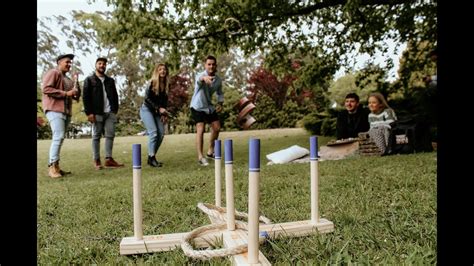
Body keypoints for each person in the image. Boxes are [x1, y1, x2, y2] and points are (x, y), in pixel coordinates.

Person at [41, 53, 81, 178]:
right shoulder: (53, 73)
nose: (69, 64)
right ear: (59, 63)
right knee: (58, 136)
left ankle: (56, 166)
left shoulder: (68, 79)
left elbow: (76, 96)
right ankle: (52, 166)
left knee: (60, 137)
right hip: (53, 109)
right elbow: (46, 89)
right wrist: (65, 93)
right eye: (67, 62)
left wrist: (76, 82)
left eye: (70, 63)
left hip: (65, 111)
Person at [83, 57, 124, 170]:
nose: (102, 65)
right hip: (97, 113)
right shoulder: (89, 80)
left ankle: (108, 159)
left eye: (104, 64)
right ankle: (96, 160)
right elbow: (86, 97)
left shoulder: (110, 81)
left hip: (110, 112)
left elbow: (115, 95)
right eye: (100, 63)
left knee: (110, 135)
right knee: (96, 136)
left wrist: (115, 109)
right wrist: (89, 113)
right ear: (96, 65)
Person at [190, 55, 224, 166]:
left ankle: (210, 151)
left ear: (216, 66)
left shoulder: (218, 80)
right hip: (197, 106)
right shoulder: (200, 75)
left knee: (217, 127)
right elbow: (200, 80)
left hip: (208, 106)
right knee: (201, 128)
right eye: (209, 64)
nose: (211, 66)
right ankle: (200, 157)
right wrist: (204, 78)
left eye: (213, 64)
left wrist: (220, 103)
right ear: (205, 65)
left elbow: (219, 93)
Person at [139, 63, 170, 167]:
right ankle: (152, 157)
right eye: (160, 69)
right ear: (157, 72)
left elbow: (164, 103)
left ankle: (151, 157)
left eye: (164, 69)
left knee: (161, 134)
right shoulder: (152, 83)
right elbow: (147, 99)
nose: (162, 71)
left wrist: (164, 114)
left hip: (157, 112)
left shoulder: (166, 85)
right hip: (146, 110)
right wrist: (158, 108)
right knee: (154, 133)